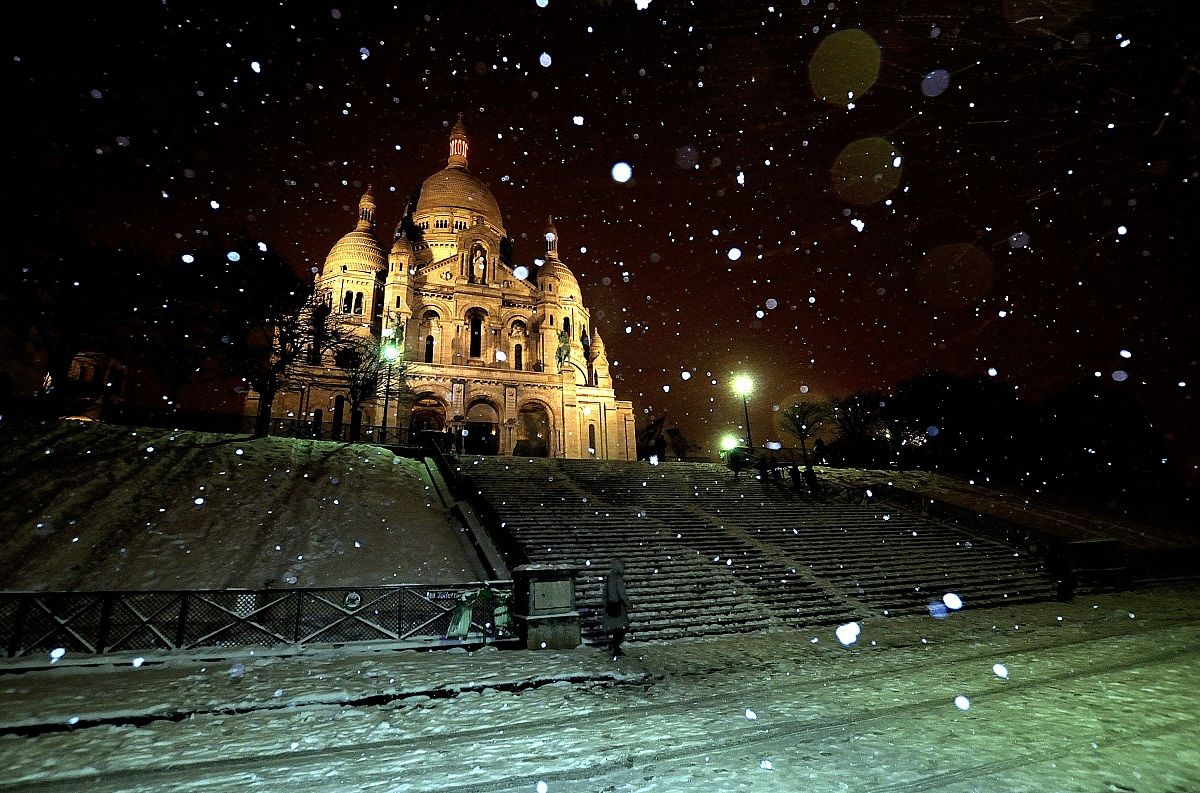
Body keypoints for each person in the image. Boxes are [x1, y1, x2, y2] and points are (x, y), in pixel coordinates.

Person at [602, 560, 633, 659]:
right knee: (623, 627)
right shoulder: (618, 578)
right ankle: (615, 646)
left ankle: (615, 647)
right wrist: (629, 604)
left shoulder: (609, 576)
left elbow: (605, 592)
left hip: (610, 605)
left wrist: (606, 603)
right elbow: (622, 593)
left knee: (616, 628)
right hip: (617, 606)